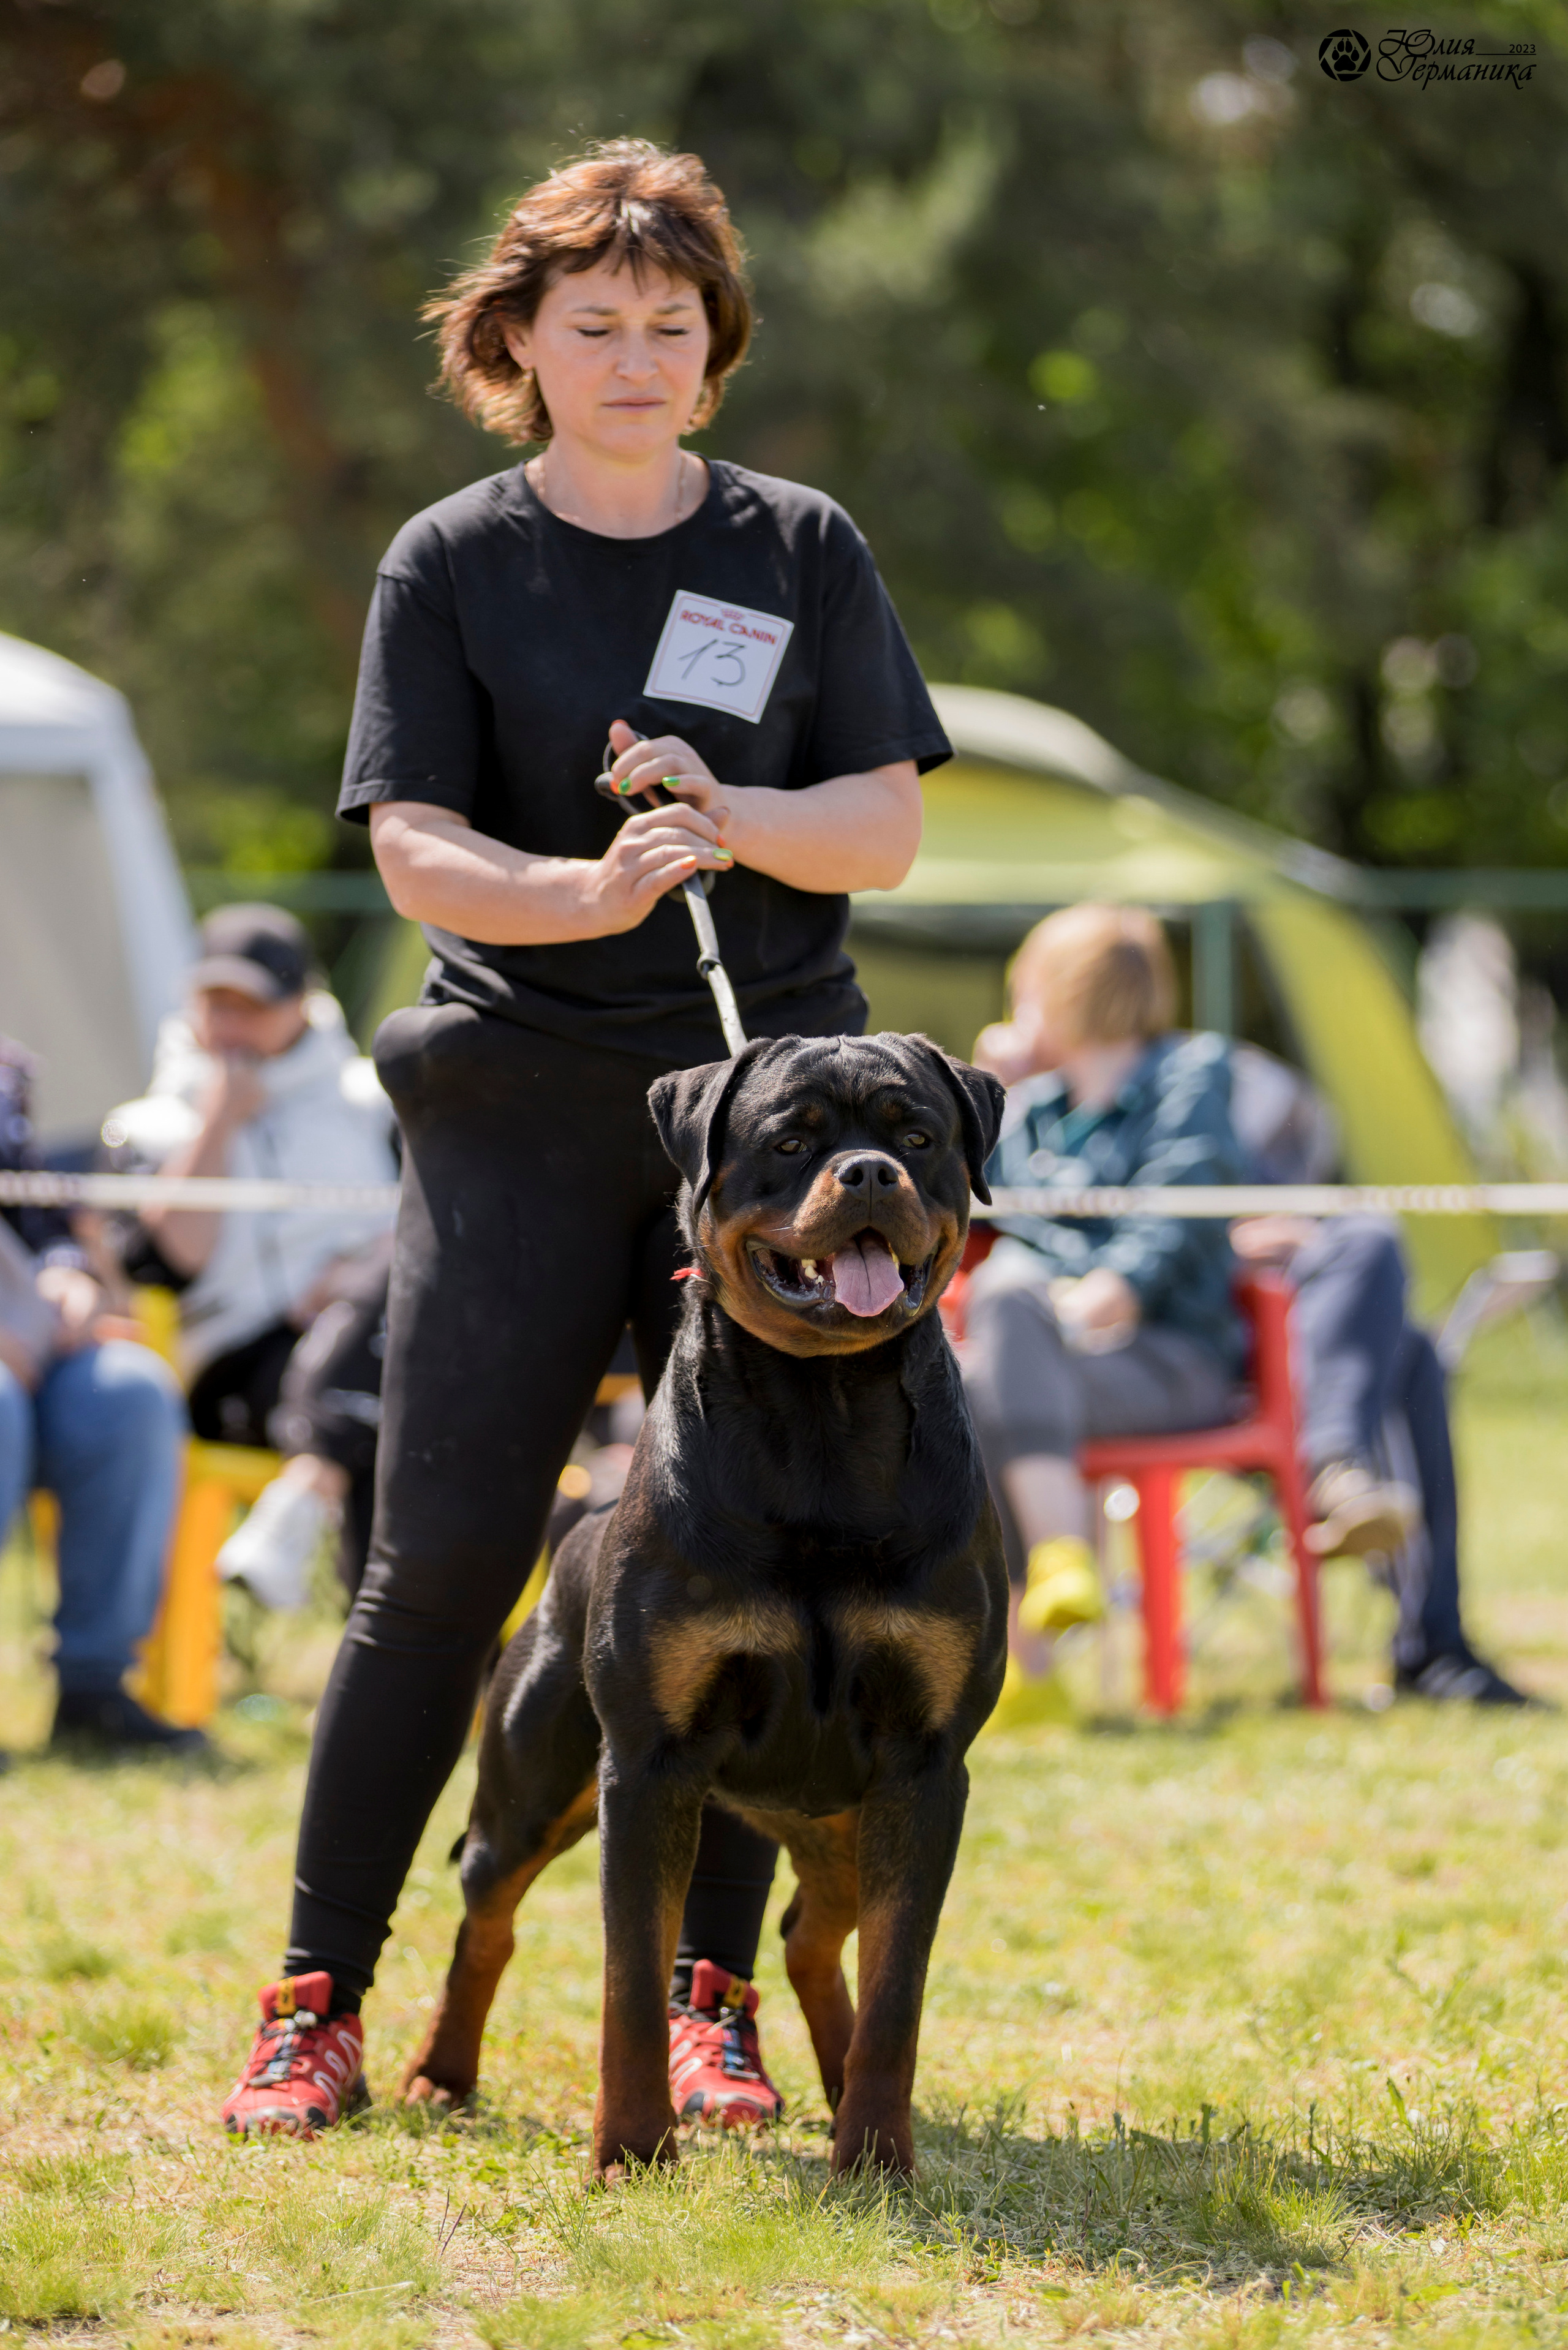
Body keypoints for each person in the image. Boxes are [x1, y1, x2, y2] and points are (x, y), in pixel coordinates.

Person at [219, 138, 949, 2141]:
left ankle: (708, 2002)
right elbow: (413, 844)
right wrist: (583, 889)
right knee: (440, 1558)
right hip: (522, 1103)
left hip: (768, 1124)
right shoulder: (448, 561)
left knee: (774, 1560)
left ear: (716, 354)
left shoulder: (801, 544)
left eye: (673, 325)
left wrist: (730, 812)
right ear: (519, 343)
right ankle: (317, 2002)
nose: (634, 357)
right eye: (595, 323)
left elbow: (878, 821)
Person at [965, 906, 1248, 1715]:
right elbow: (961, 1205)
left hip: (1168, 1358)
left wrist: (1109, 1292)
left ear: (1059, 990)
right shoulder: (1032, 1109)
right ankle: (1057, 1576)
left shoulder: (1191, 1071)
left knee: (993, 1357)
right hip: (1047, 1353)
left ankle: (1032, 1646)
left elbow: (1182, 1202)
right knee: (991, 1330)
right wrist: (993, 1090)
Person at [1226, 1046, 1533, 1706]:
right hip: (1195, 1356)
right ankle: (1430, 1640)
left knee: (1406, 1338)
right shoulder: (1032, 1106)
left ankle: (1430, 1635)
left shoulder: (1164, 1082)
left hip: (1264, 1335)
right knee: (1372, 1254)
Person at [110, 906, 398, 1607]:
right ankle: (419, 1664)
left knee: (394, 1303)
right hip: (235, 1369)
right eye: (216, 1004)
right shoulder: (145, 1128)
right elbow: (166, 1265)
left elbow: (426, 1229)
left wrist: (351, 1279)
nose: (232, 1026)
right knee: (406, 1418)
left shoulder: (372, 1104)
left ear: (301, 1004)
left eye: (253, 1006)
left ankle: (309, 1490)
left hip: (368, 1333)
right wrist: (219, 1121)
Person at [0, 1039, 193, 1752]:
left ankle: (95, 1687)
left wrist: (67, 1271)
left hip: (31, 1333)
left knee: (130, 1392)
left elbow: (36, 1211)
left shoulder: (5, 1076)